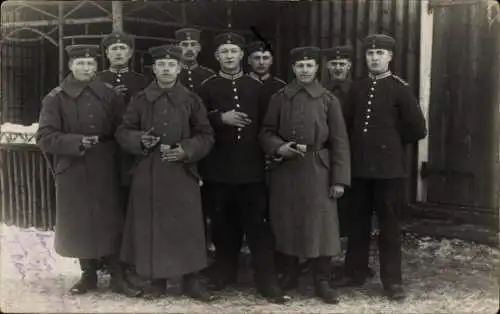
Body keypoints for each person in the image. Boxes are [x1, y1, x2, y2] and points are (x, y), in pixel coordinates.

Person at [36, 44, 141, 298]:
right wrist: (76, 142)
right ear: (71, 66)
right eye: (80, 64)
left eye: (90, 64)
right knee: (80, 222)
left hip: (107, 164)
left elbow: (123, 127)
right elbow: (44, 136)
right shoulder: (56, 97)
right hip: (74, 167)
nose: (86, 68)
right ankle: (88, 275)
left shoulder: (108, 94)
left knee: (111, 217)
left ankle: (117, 275)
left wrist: (133, 142)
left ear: (97, 67)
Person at [115, 44, 216, 302]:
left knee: (187, 226)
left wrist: (187, 149)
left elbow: (206, 135)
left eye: (171, 65)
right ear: (154, 69)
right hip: (149, 173)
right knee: (154, 227)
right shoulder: (140, 99)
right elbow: (123, 132)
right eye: (161, 65)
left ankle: (192, 279)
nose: (166, 69)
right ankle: (157, 279)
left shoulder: (191, 100)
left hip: (183, 173)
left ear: (179, 68)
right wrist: (139, 140)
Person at [332, 34, 427, 301]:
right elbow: (346, 126)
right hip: (360, 169)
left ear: (390, 58)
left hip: (388, 172)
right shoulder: (357, 88)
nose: (374, 58)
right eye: (370, 54)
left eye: (380, 54)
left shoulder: (400, 88)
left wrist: (390, 144)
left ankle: (392, 282)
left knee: (390, 227)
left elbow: (418, 129)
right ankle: (355, 272)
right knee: (357, 224)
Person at [198, 32, 286, 304]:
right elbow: (197, 120)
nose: (229, 56)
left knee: (258, 227)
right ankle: (224, 272)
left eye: (233, 51)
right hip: (219, 168)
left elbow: (268, 123)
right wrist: (220, 118)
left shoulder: (256, 86)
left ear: (241, 56)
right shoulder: (207, 86)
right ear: (217, 57)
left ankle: (266, 281)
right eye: (223, 52)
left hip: (252, 168)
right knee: (223, 226)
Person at [259, 46, 350, 304]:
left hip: (318, 169)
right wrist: (279, 147)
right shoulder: (280, 98)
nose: (305, 70)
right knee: (287, 221)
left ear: (317, 68)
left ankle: (322, 278)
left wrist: (339, 179)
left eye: (310, 65)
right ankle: (289, 273)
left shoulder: (328, 100)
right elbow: (266, 132)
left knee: (321, 224)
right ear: (293, 69)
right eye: (300, 66)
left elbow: (340, 141)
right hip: (286, 170)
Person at [96, 31, 150, 280]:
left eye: (123, 49)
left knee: (132, 204)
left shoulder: (142, 81)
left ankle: (131, 259)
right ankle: (106, 258)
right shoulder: (95, 80)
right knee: (106, 204)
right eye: (113, 49)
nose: (118, 53)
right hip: (105, 152)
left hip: (132, 153)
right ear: (106, 54)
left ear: (130, 53)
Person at [175, 27, 216, 94]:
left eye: (193, 44)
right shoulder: (172, 74)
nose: (189, 49)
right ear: (176, 48)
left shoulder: (209, 76)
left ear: (199, 47)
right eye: (185, 45)